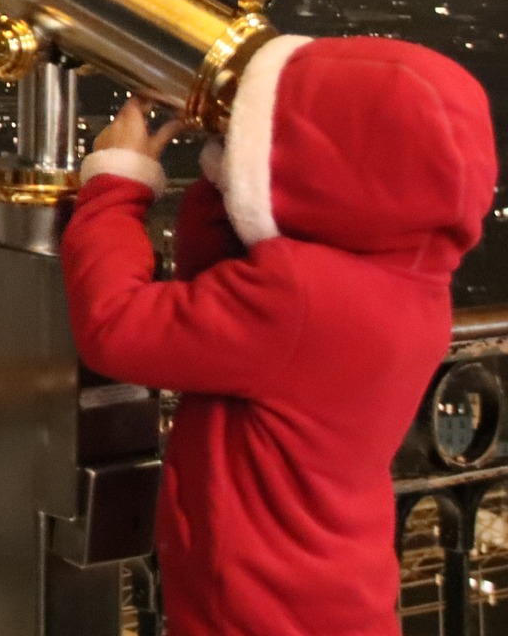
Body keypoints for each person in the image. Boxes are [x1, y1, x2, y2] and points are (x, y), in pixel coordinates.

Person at [62, 35, 497, 636]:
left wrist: (115, 186)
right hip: (328, 594)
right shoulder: (409, 279)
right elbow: (223, 297)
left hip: (259, 609)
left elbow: (117, 327)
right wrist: (229, 174)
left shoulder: (300, 297)